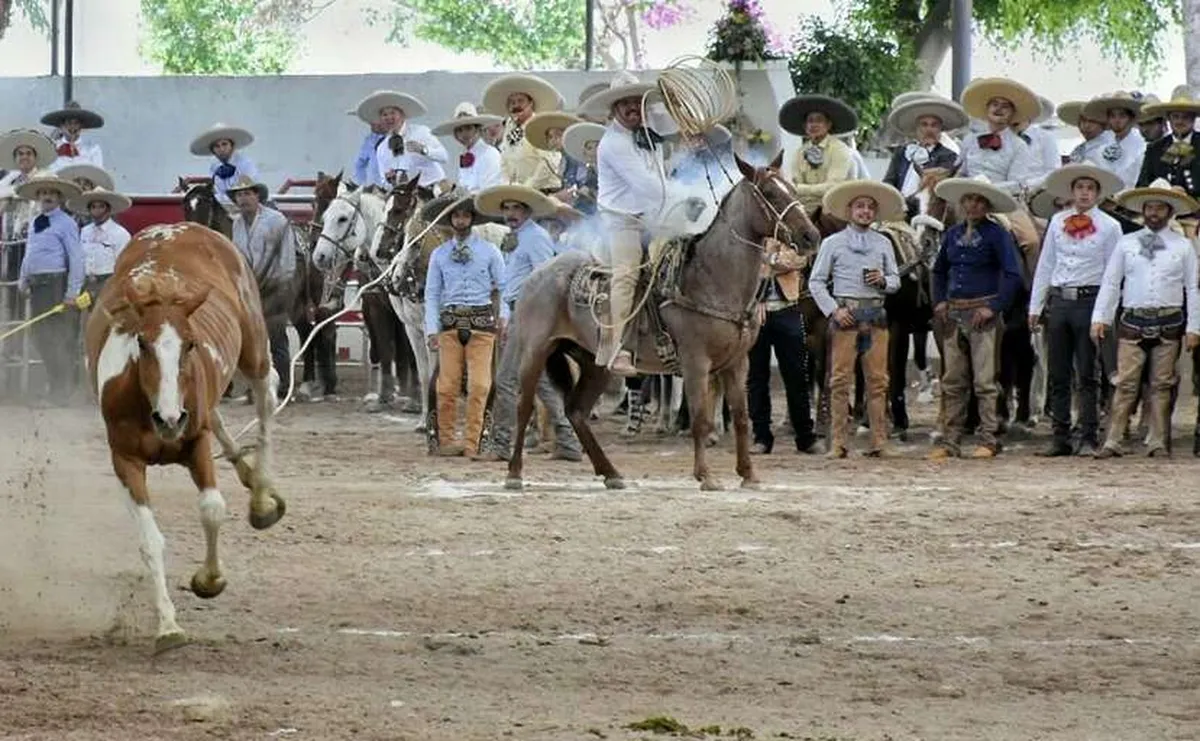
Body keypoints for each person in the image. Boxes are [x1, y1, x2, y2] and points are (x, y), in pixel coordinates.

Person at [584, 70, 700, 376]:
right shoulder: (613, 144)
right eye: (626, 103)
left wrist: (674, 99)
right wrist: (688, 197)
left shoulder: (648, 127)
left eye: (638, 101)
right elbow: (649, 186)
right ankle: (616, 350)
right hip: (620, 220)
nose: (633, 107)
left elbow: (682, 121)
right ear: (614, 109)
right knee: (626, 274)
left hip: (652, 215)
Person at [472, 183, 582, 463]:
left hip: (530, 314)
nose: (510, 213)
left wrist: (530, 319)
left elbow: (549, 278)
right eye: (507, 208)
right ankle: (569, 441)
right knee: (542, 382)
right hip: (522, 312)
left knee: (506, 380)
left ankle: (501, 445)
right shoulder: (519, 237)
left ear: (527, 211)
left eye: (516, 208)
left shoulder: (534, 238)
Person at [1091, 179, 1200, 458]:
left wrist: (1194, 326)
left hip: (1170, 319)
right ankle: (1113, 439)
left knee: (1162, 384)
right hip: (1133, 318)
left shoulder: (1183, 246)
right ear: (1143, 210)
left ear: (1169, 211)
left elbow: (1192, 288)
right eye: (1149, 207)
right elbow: (1112, 282)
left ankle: (1158, 440)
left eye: (1159, 208)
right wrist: (1100, 316)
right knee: (1126, 382)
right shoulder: (1126, 243)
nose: (1153, 213)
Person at [1027, 164, 1123, 456]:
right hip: (1060, 300)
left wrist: (1103, 315)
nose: (1084, 193)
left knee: (1087, 372)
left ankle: (1088, 434)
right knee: (1057, 372)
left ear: (1097, 193)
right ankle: (1060, 435)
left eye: (1090, 188)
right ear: (1072, 192)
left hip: (1089, 300)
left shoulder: (1110, 226)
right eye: (1080, 187)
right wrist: (1036, 305)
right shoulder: (1057, 221)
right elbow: (1046, 264)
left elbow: (1113, 275)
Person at [929, 174, 1024, 459]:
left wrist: (994, 307)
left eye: (978, 201)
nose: (972, 205)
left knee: (985, 381)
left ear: (987, 206)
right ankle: (950, 440)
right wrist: (940, 300)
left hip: (982, 314)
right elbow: (939, 270)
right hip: (955, 312)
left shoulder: (997, 234)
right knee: (952, 380)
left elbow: (1012, 274)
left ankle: (989, 438)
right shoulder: (952, 234)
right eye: (968, 200)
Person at [809, 180, 904, 458]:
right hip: (845, 316)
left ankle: (879, 441)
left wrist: (884, 281)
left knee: (878, 381)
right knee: (839, 381)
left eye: (870, 207)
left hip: (875, 316)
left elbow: (896, 281)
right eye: (859, 206)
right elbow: (816, 282)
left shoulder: (884, 243)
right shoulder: (832, 243)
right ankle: (838, 442)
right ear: (849, 210)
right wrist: (833, 310)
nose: (864, 212)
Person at [422, 196, 508, 458]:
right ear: (451, 220)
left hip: (481, 325)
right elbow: (432, 294)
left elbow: (503, 287)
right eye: (456, 216)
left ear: (472, 219)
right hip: (449, 325)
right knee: (446, 386)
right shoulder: (439, 254)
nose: (460, 221)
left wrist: (504, 315)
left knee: (480, 386)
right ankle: (445, 440)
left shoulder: (490, 251)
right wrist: (431, 329)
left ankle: (475, 442)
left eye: (465, 216)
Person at [14, 173, 84, 403]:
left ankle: (61, 391)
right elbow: (30, 253)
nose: (47, 197)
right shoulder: (35, 222)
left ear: (59, 198)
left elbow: (76, 259)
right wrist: (23, 279)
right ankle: (55, 385)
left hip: (55, 283)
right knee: (39, 337)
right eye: (43, 193)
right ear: (38, 197)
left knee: (56, 337)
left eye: (52, 193)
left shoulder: (67, 223)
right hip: (37, 285)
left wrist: (71, 293)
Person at [228, 175, 296, 400]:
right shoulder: (236, 224)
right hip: (249, 288)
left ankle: (284, 386)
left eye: (248, 193)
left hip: (274, 286)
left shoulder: (277, 220)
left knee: (276, 337)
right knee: (251, 339)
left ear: (257, 196)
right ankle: (255, 387)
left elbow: (287, 259)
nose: (243, 199)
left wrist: (283, 286)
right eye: (239, 195)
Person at [957, 77, 1043, 256]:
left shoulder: (1019, 145)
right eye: (994, 104)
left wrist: (987, 188)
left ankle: (1031, 283)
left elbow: (1017, 183)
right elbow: (960, 171)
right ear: (987, 109)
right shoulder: (969, 140)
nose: (998, 108)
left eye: (1005, 106)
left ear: (1013, 114)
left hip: (1005, 202)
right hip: (968, 200)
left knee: (1032, 241)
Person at [882, 96, 967, 214]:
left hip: (926, 210)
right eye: (924, 125)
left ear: (940, 129)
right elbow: (889, 181)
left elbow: (935, 187)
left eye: (934, 125)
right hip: (897, 209)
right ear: (917, 128)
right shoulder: (902, 152)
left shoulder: (949, 156)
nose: (929, 130)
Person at [482, 73, 565, 192]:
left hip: (544, 190)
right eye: (512, 102)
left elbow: (549, 162)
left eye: (520, 101)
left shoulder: (539, 125)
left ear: (531, 103)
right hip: (518, 191)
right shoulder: (509, 127)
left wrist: (528, 187)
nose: (516, 106)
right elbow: (505, 159)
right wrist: (508, 185)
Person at [778, 94, 859, 212]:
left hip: (835, 210)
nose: (813, 125)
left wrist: (801, 189)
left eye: (819, 120)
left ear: (828, 125)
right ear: (805, 126)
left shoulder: (839, 149)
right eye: (810, 121)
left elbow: (833, 187)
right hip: (805, 210)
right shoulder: (800, 153)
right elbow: (793, 186)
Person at [360, 90, 448, 191]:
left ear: (402, 115)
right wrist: (391, 180)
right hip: (405, 196)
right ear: (380, 120)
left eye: (392, 113)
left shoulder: (421, 131)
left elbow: (444, 156)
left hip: (435, 188)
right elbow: (384, 181)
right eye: (384, 115)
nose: (389, 118)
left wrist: (424, 150)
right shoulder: (382, 149)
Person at [1135, 86, 1200, 200]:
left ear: (1194, 118)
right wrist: (1164, 190)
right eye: (1175, 116)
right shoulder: (1155, 149)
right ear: (1168, 118)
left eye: (1185, 117)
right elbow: (1142, 185)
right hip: (1161, 212)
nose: (1180, 121)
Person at [70, 187, 132, 298]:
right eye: (93, 207)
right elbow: (80, 259)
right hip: (87, 283)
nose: (97, 210)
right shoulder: (85, 231)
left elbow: (124, 266)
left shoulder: (120, 234)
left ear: (108, 210)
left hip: (108, 282)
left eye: (101, 206)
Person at [431, 102, 504, 193]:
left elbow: (489, 192)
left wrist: (455, 191)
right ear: (455, 135)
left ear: (477, 129)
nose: (464, 134)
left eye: (468, 128)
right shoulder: (466, 156)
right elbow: (467, 188)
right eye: (459, 130)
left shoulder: (490, 154)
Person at [1082, 91, 1147, 189]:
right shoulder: (1101, 147)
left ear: (1131, 119)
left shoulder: (1143, 147)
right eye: (1112, 116)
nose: (1117, 120)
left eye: (1122, 116)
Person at [190, 123, 259, 206]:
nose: (221, 149)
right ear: (213, 151)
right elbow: (217, 191)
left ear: (232, 146)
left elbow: (248, 191)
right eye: (217, 146)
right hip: (224, 208)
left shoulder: (246, 164)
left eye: (224, 144)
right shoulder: (214, 167)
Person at [521, 110, 581, 201]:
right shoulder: (564, 159)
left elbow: (579, 187)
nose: (553, 140)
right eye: (550, 136)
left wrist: (554, 198)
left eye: (558, 135)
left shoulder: (578, 157)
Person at [41, 101, 104, 171]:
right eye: (69, 123)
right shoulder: (52, 149)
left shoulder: (92, 149)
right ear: (62, 126)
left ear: (81, 126)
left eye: (76, 123)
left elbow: (98, 174)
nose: (73, 127)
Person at [561, 121, 603, 218]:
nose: (593, 151)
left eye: (597, 146)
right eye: (589, 148)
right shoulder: (591, 169)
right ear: (585, 153)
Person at [1057, 101, 1111, 168]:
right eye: (1083, 121)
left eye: (1092, 121)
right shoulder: (1081, 148)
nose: (1086, 126)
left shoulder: (1108, 147)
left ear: (1104, 125)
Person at [348, 98, 387, 189]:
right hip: (375, 189)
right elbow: (359, 164)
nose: (371, 125)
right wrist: (360, 186)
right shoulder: (370, 139)